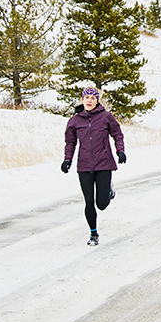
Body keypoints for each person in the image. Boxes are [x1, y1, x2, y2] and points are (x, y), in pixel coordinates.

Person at [62, 87, 126, 246]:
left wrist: (120, 151)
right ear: (82, 100)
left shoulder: (106, 117)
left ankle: (109, 191)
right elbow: (70, 142)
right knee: (89, 201)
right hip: (84, 166)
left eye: (92, 98)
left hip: (104, 163)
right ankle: (93, 233)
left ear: (97, 100)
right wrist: (67, 159)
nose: (89, 100)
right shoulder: (75, 121)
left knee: (101, 204)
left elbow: (117, 134)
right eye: (87, 97)